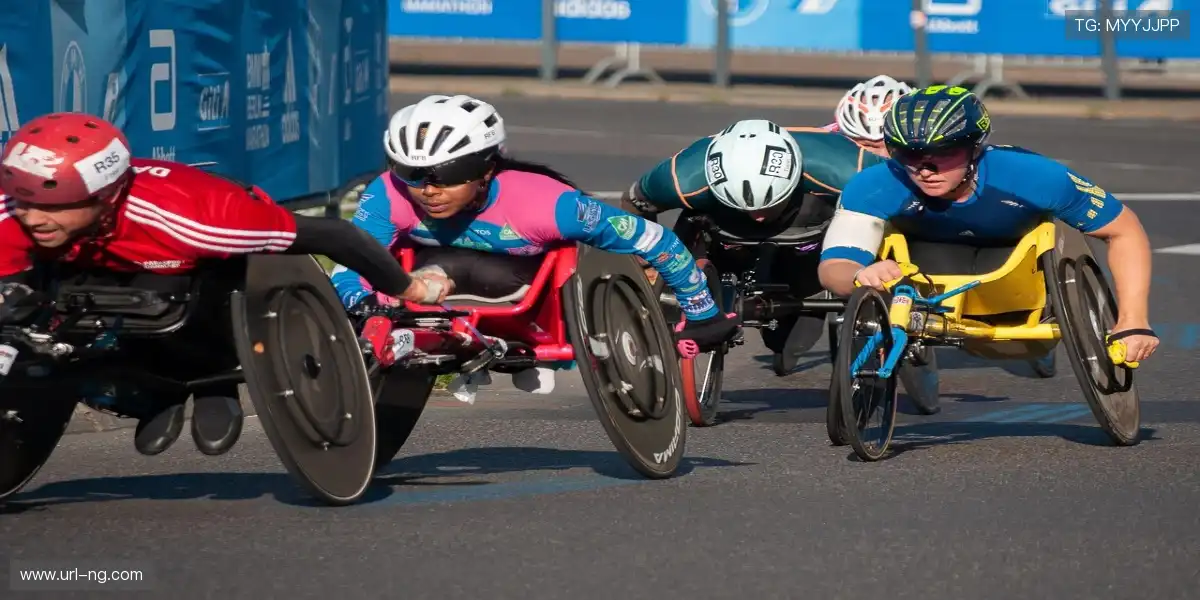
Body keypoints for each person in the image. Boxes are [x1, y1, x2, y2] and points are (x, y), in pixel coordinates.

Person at [0, 112, 440, 458]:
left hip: (190, 266)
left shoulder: (200, 221)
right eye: (26, 202)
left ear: (106, 195)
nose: (34, 217)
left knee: (168, 294)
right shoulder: (12, 214)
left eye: (55, 205)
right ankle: (147, 386)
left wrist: (407, 288)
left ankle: (208, 379)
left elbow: (338, 237)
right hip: (96, 263)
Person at [329, 94, 740, 394]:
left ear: (486, 170)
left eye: (445, 175)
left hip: (532, 292)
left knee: (461, 268)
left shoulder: (549, 206)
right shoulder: (387, 194)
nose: (426, 190)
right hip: (431, 282)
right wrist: (356, 301)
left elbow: (654, 238)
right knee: (380, 275)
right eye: (411, 173)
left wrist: (701, 309)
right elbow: (353, 261)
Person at [818, 85, 1159, 365]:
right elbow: (835, 265)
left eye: (942, 154)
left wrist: (1133, 320)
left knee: (1017, 348)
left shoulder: (1034, 176)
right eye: (908, 154)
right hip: (927, 268)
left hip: (1018, 269)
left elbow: (1124, 231)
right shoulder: (872, 184)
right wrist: (858, 275)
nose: (924, 168)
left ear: (974, 148)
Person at [617, 82, 907, 373]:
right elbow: (635, 204)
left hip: (811, 237)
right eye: (748, 208)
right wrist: (646, 265)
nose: (758, 216)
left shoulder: (847, 166)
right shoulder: (681, 176)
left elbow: (907, 205)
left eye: (769, 205)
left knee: (786, 340)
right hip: (723, 231)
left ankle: (805, 292)